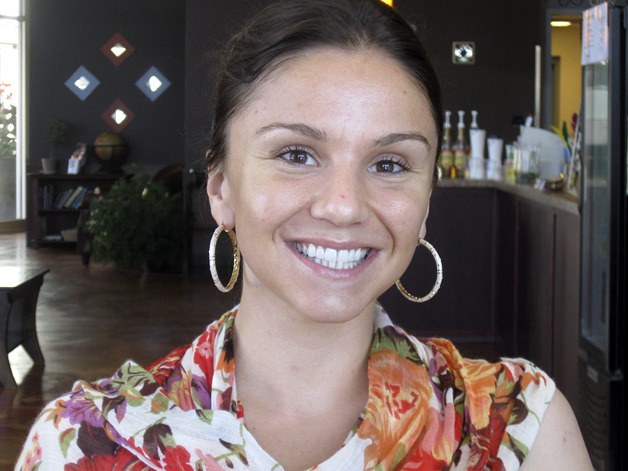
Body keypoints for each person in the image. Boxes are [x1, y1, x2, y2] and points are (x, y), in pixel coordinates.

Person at [17, 1, 592, 470]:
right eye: (296, 154)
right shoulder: (85, 444)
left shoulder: (518, 428)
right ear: (221, 188)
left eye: (389, 164)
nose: (343, 206)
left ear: (424, 205)